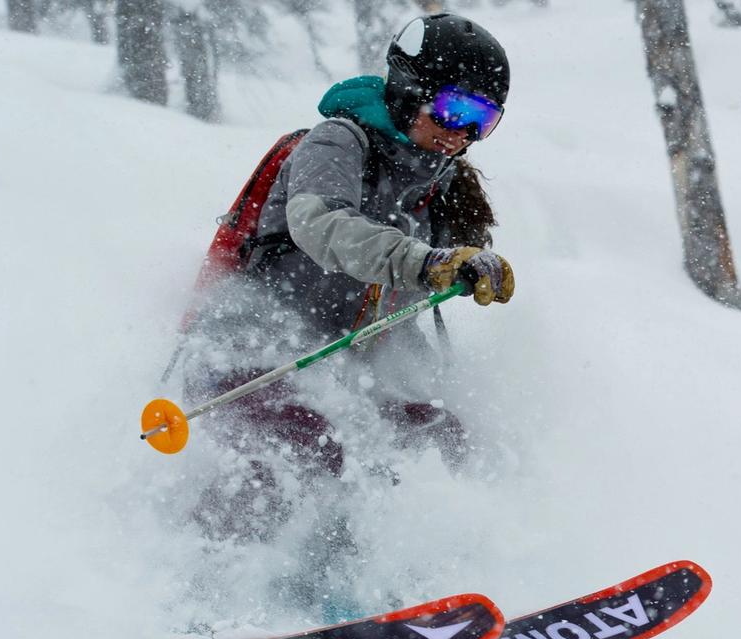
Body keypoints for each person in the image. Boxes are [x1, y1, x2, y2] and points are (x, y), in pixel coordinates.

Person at [184, 12, 515, 551]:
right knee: (310, 448)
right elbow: (323, 225)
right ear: (410, 89)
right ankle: (209, 583)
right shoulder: (336, 143)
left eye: (484, 120)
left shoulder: (439, 185)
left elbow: (404, 301)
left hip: (337, 375)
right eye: (457, 108)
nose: (463, 133)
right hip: (246, 361)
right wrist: (425, 262)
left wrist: (473, 266)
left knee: (441, 439)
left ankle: (424, 581)